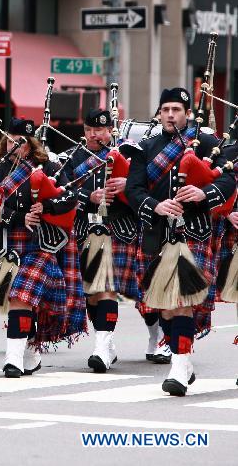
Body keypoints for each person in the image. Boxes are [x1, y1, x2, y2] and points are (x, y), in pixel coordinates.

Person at [125, 88, 235, 396]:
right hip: (157, 233)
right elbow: (133, 189)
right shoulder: (145, 148)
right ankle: (184, 364)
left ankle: (178, 366)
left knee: (183, 301)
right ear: (159, 113)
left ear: (187, 112)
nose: (171, 114)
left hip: (194, 231)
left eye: (176, 109)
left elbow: (228, 181)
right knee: (166, 307)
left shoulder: (208, 143)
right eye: (166, 109)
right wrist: (155, 205)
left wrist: (204, 194)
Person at [0, 117, 82, 378]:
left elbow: (70, 197)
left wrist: (47, 207)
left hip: (41, 244)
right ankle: (28, 347)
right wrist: (19, 217)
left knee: (21, 296)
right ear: (7, 140)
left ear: (32, 143)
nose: (19, 145)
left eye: (24, 141)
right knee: (21, 300)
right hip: (8, 243)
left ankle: (12, 359)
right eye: (15, 140)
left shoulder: (49, 166)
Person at [62, 108, 141, 373]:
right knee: (91, 293)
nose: (93, 134)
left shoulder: (128, 153)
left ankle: (101, 347)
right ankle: (106, 346)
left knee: (106, 286)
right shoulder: (74, 158)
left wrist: (126, 185)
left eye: (99, 130)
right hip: (85, 228)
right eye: (88, 130)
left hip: (117, 227)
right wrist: (88, 197)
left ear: (110, 130)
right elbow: (64, 190)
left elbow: (145, 188)